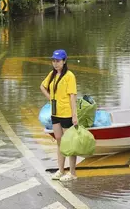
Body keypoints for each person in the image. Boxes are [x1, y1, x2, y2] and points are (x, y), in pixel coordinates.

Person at [40, 49, 78, 182]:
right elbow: (42, 87)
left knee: (70, 144)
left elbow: (73, 96)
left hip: (67, 113)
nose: (55, 64)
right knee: (59, 142)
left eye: (58, 61)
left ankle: (72, 173)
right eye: (54, 61)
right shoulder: (52, 74)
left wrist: (74, 115)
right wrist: (50, 98)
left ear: (64, 61)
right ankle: (61, 170)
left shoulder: (69, 76)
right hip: (55, 113)